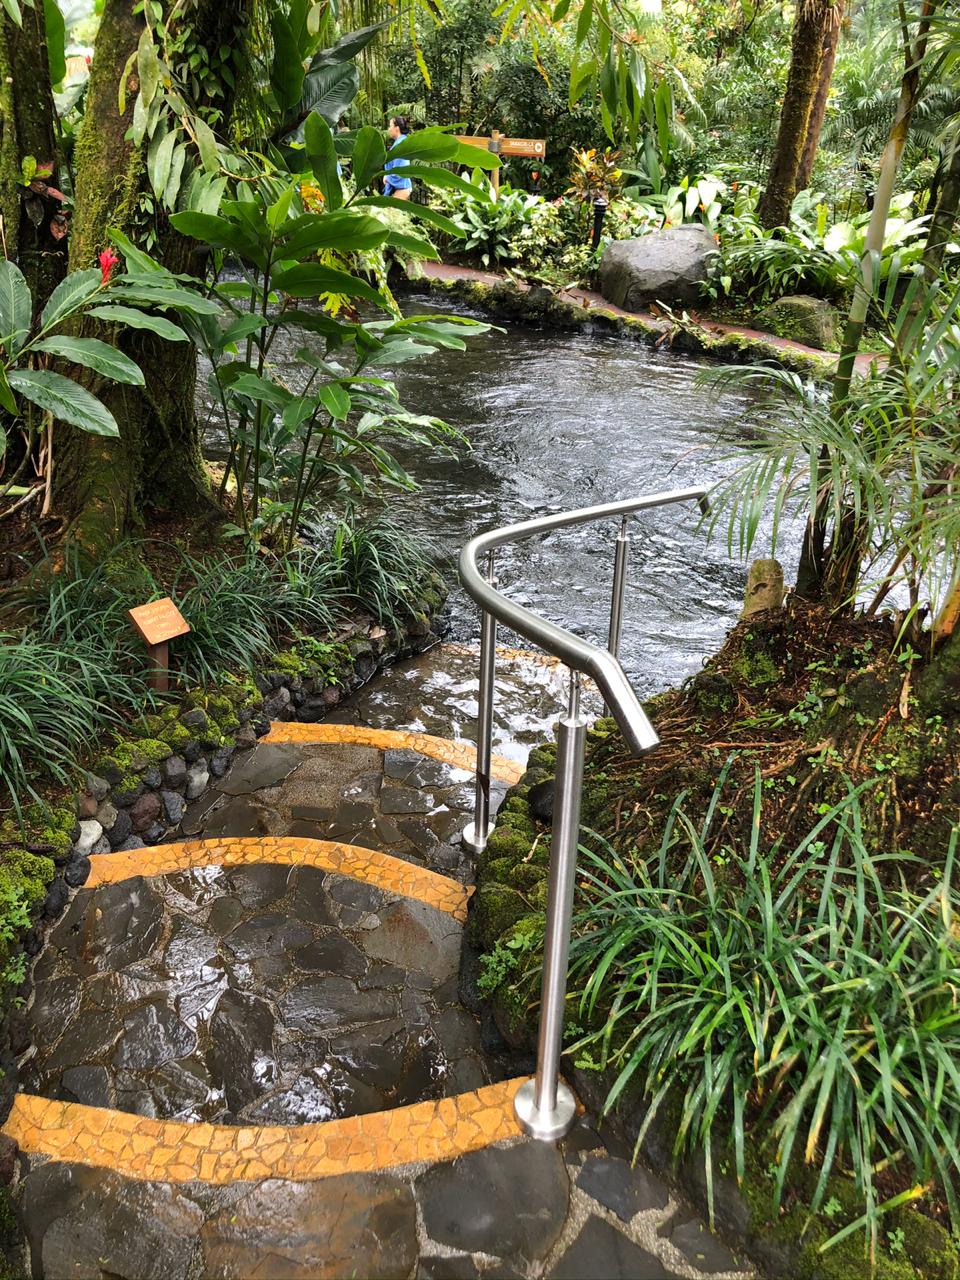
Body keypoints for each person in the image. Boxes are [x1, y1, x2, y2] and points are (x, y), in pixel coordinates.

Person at [383, 115, 413, 200]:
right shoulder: (400, 142)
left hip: (402, 188)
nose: (389, 129)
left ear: (397, 128)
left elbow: (401, 169)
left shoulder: (401, 144)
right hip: (400, 188)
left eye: (390, 126)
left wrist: (388, 178)